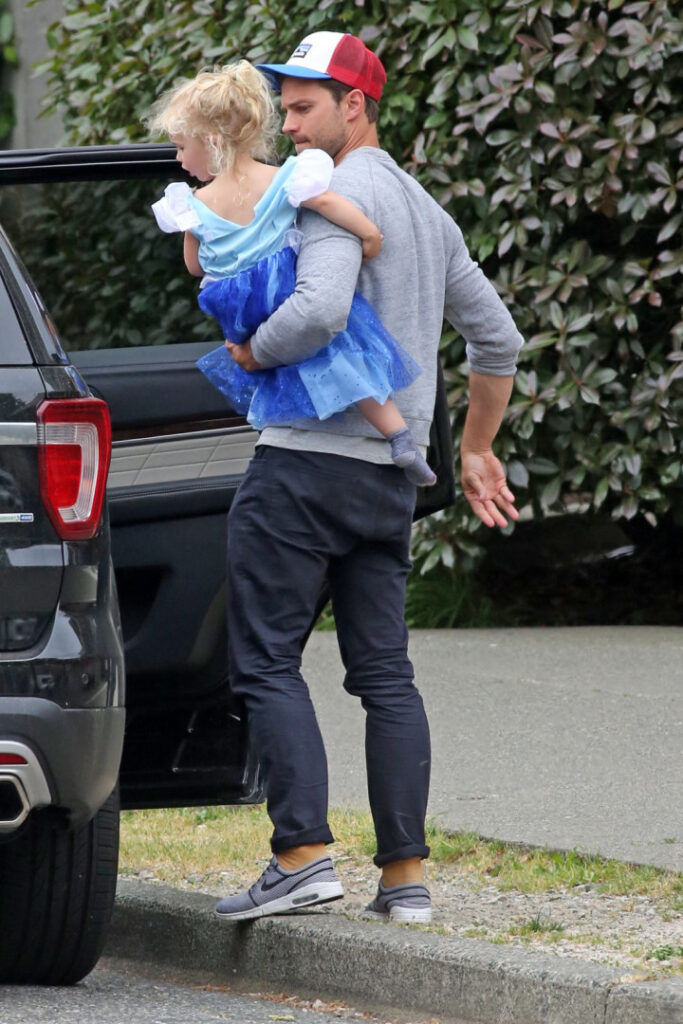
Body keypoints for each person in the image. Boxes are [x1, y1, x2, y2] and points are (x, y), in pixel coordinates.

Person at [213, 31, 524, 923]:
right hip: (387, 480)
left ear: (355, 105)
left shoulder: (327, 189)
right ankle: (405, 879)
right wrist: (474, 447)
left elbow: (317, 309)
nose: (289, 127)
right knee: (384, 675)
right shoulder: (426, 211)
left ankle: (301, 856)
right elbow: (497, 340)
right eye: (285, 109)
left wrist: (252, 349)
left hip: (303, 464)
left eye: (304, 108)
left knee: (265, 658)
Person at [146, 61, 436, 486]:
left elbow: (195, 266)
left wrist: (197, 227)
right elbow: (328, 205)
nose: (178, 159)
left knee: (267, 364)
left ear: (211, 142)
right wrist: (369, 234)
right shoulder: (286, 177)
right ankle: (399, 436)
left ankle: (283, 429)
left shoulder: (192, 203)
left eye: (181, 147)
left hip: (240, 310)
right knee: (343, 351)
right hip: (282, 288)